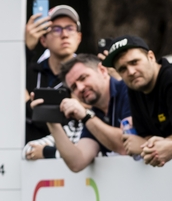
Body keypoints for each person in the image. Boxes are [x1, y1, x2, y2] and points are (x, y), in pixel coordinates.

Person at [29, 54, 130, 172]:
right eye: (74, 87)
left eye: (83, 78)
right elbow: (77, 162)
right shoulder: (93, 115)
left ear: (102, 70)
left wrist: (86, 116)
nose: (80, 88)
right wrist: (51, 121)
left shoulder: (128, 90)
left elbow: (126, 146)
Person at [102, 35, 172, 166]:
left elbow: (150, 143)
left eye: (134, 62)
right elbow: (146, 136)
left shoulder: (169, 79)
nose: (131, 72)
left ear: (151, 57)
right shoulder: (134, 88)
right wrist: (152, 145)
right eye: (122, 69)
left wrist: (165, 146)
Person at [24, 5, 82, 144]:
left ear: (79, 37)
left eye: (70, 28)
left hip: (70, 158)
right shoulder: (29, 71)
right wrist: (26, 48)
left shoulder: (87, 77)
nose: (64, 34)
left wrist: (27, 104)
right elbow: (3, 78)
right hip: (26, 157)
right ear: (43, 40)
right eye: (56, 29)